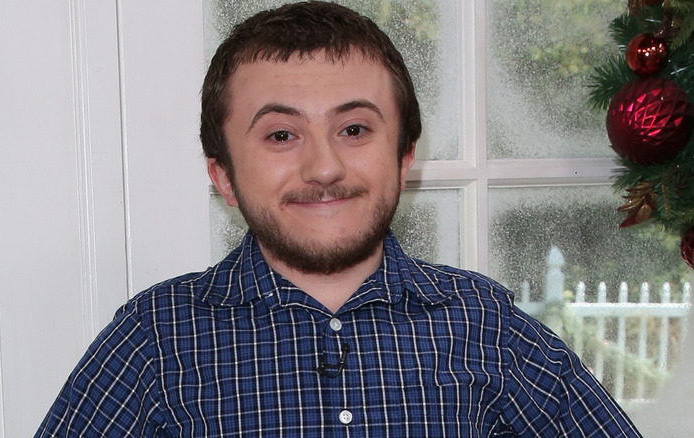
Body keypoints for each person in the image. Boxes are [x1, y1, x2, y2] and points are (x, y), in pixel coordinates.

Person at [36, 2, 642, 436]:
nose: (323, 167)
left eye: (353, 129)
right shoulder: (154, 340)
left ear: (404, 158)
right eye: (280, 134)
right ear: (222, 175)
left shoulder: (488, 328)